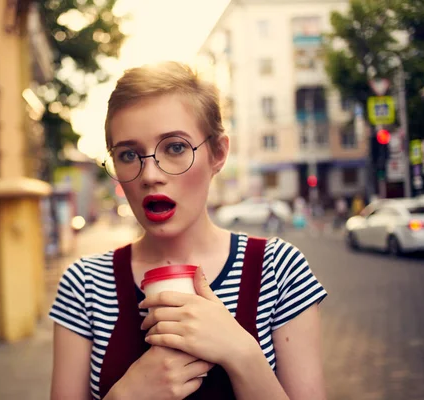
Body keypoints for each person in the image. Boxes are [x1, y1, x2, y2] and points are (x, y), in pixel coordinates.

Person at [49, 61, 328, 400]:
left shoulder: (279, 270)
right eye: (128, 154)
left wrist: (240, 352)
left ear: (218, 153)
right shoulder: (84, 285)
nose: (150, 174)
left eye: (175, 147)